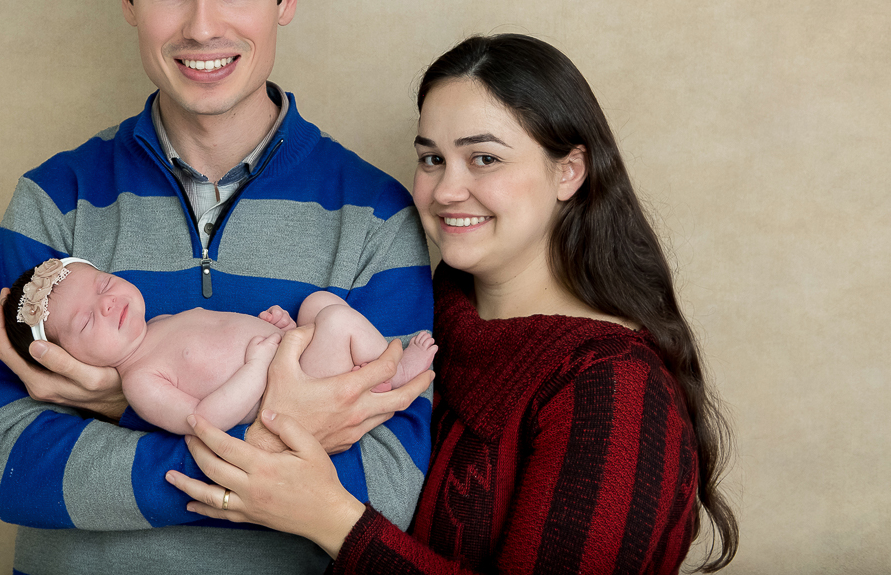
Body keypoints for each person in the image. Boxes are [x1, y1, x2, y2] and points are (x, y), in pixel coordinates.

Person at [0, 0, 436, 575]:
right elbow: (14, 465)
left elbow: (386, 488)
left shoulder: (376, 215)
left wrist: (119, 407)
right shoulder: (52, 203)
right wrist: (279, 442)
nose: (201, 27)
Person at [167, 34, 739, 573]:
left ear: (568, 171)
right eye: (432, 158)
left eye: (484, 158)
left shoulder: (612, 386)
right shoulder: (422, 312)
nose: (445, 191)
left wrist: (331, 518)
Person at [2, 257, 437, 435]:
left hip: (294, 358)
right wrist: (259, 360)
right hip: (293, 394)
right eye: (84, 321)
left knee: (317, 303)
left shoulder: (161, 324)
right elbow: (204, 420)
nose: (108, 303)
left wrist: (282, 331)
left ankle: (378, 368)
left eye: (104, 284)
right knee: (337, 318)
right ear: (64, 361)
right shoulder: (139, 381)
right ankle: (389, 372)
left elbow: (229, 333)